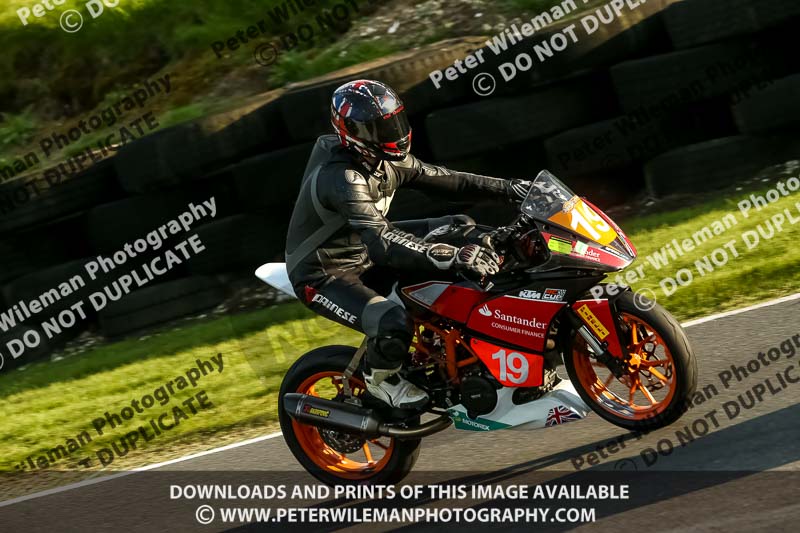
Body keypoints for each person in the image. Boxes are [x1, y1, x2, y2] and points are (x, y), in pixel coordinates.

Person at [285, 79, 530, 409]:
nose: (392, 134)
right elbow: (382, 241)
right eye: (378, 128)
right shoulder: (342, 178)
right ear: (353, 133)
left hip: (365, 248)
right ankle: (380, 381)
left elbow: (454, 182)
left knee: (461, 226)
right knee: (392, 321)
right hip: (325, 273)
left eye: (394, 122)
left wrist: (513, 189)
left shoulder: (387, 162)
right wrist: (452, 255)